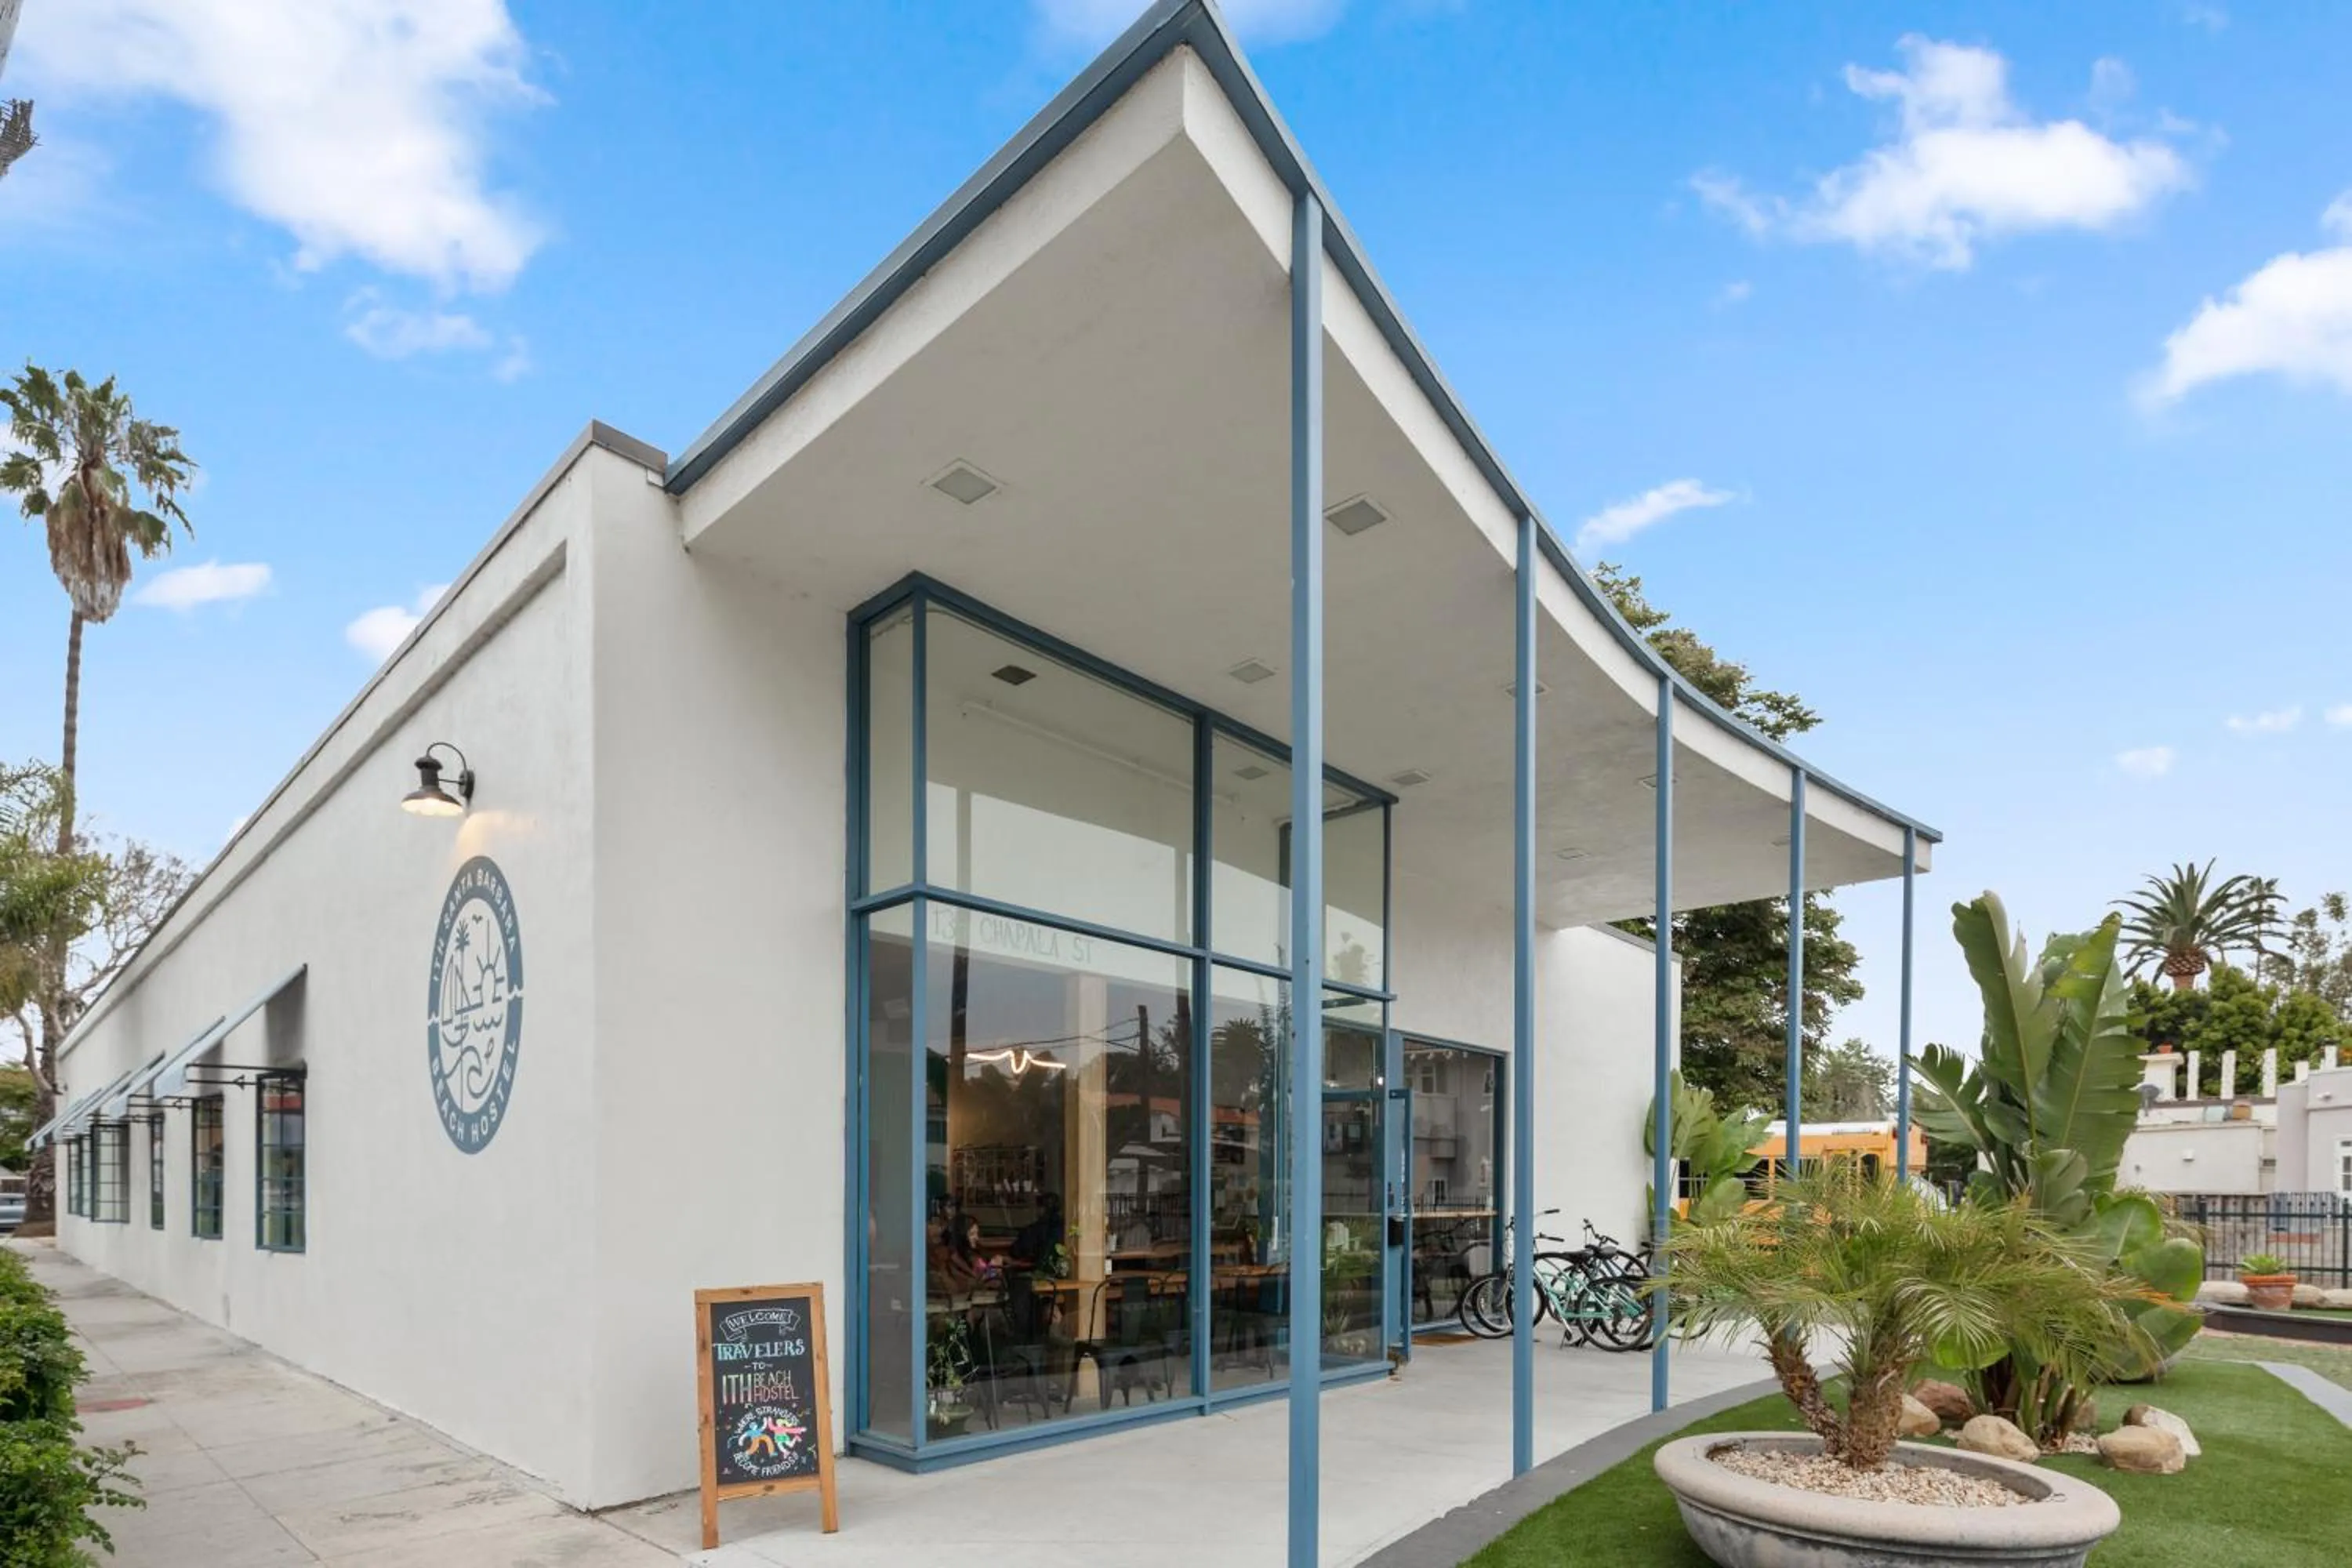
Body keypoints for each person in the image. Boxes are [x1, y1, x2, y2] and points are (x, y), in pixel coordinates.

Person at [1008, 1193, 1065, 1274]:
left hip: (1041, 1272)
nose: (1036, 1210)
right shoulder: (1065, 1227)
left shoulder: (1034, 1229)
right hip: (1060, 1272)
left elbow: (1016, 1251)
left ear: (1042, 1209)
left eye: (1038, 1207)